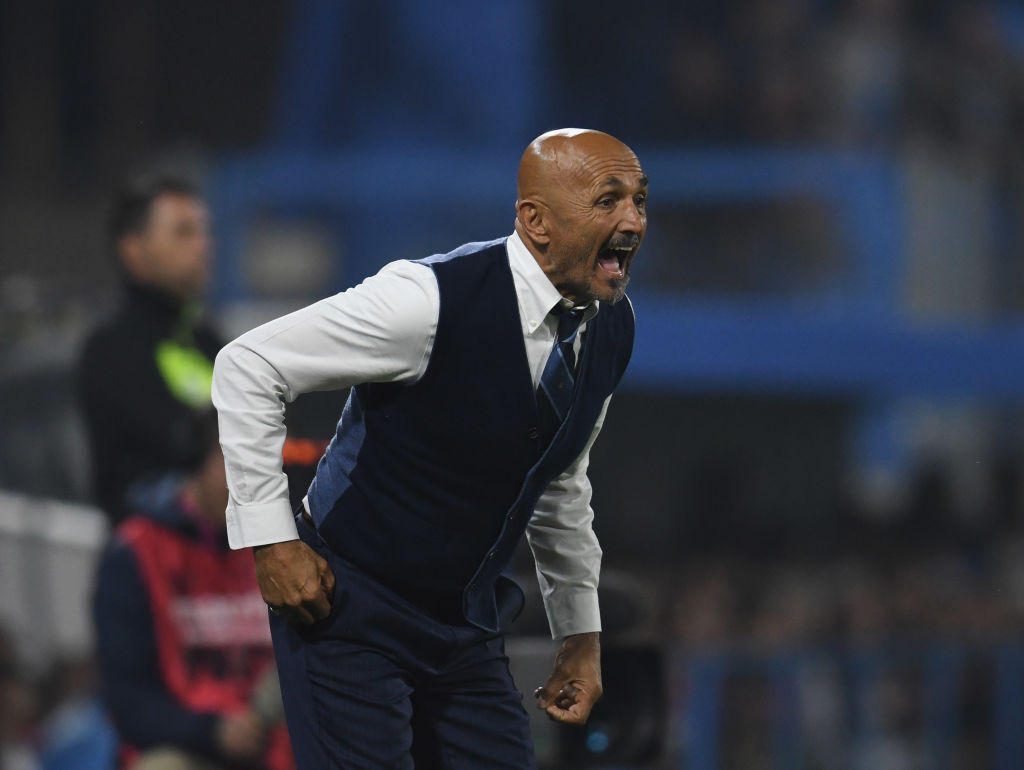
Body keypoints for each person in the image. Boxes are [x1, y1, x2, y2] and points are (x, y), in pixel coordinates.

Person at [212, 128, 648, 768]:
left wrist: (579, 632)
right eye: (608, 200)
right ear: (536, 221)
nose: (633, 221)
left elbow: (558, 480)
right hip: (350, 610)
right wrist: (272, 540)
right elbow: (247, 365)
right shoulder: (426, 300)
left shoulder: (613, 326)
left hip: (465, 625)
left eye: (639, 200)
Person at [92, 411, 293, 770]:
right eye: (237, 462)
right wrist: (213, 732)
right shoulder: (136, 554)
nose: (253, 480)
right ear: (199, 459)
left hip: (279, 745)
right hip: (190, 747)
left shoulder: (280, 542)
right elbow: (128, 703)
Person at [78, 175, 222, 524]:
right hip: (151, 551)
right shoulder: (111, 350)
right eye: (184, 232)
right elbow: (156, 455)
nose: (203, 245)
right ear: (133, 249)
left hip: (227, 549)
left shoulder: (210, 341)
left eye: (204, 231)